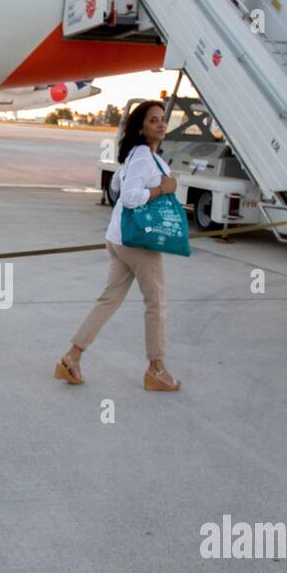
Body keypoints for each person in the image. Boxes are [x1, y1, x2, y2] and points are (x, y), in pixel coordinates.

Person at [56, 101, 182, 392]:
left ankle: (71, 358)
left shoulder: (140, 156)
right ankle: (156, 369)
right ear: (141, 127)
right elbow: (129, 196)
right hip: (139, 243)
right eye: (154, 120)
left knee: (108, 300)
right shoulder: (142, 157)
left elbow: (115, 188)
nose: (161, 124)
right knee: (156, 304)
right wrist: (163, 188)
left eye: (163, 119)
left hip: (119, 238)